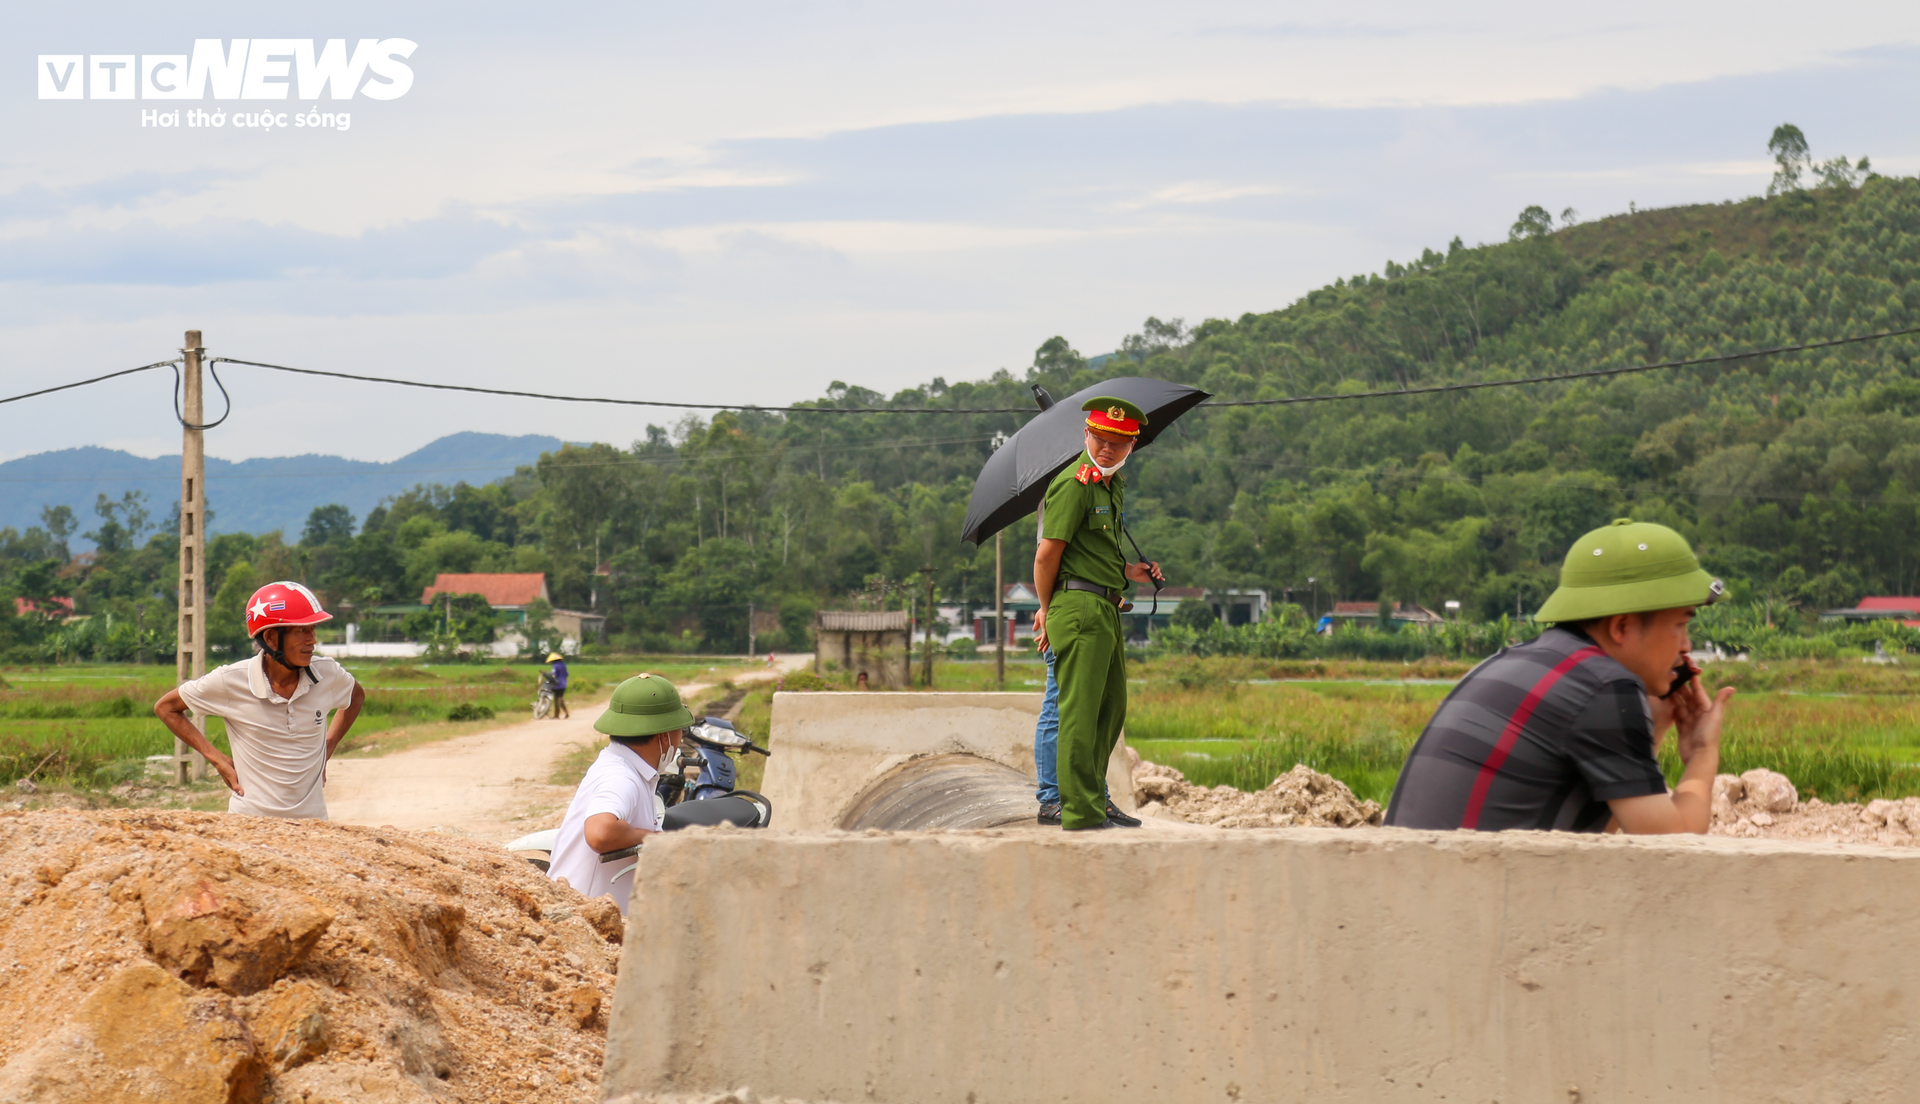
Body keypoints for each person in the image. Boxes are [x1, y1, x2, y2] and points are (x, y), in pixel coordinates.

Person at [1384, 519, 1736, 834]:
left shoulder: (1517, 660)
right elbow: (1673, 847)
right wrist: (1703, 755)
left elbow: (1605, 829)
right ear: (1622, 626)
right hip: (1470, 897)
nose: (1687, 646)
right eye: (1680, 624)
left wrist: (1653, 729)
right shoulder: (1604, 686)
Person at [1033, 396, 1163, 831]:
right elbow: (1047, 557)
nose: (1108, 449)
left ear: (1131, 447)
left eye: (1119, 443)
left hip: (1104, 603)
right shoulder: (1075, 484)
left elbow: (1094, 554)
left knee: (1108, 709)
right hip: (1078, 608)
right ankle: (1078, 808)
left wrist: (1132, 573)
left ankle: (1093, 797)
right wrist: (1048, 610)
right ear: (1086, 435)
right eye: (1101, 439)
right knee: (1075, 710)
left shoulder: (1110, 485)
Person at [153, 581, 366, 819]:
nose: (312, 640)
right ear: (272, 638)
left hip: (313, 825)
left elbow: (356, 696)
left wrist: (329, 745)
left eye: (313, 629)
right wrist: (216, 759)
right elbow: (166, 707)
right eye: (301, 630)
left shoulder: (328, 674)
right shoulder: (230, 680)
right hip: (250, 824)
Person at [548, 672, 690, 915]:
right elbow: (600, 833)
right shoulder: (620, 777)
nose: (680, 740)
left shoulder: (629, 769)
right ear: (663, 736)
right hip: (582, 920)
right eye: (680, 730)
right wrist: (650, 837)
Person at [546, 651, 571, 719]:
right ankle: (566, 713)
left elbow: (554, 675)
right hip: (564, 684)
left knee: (557, 699)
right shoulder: (563, 665)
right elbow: (566, 674)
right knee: (560, 698)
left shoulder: (555, 666)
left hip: (557, 684)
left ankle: (557, 715)